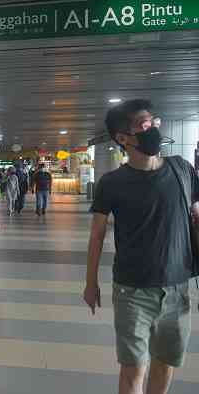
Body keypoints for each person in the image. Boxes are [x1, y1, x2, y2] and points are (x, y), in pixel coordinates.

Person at [84, 99, 198, 394]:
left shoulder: (181, 169)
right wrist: (90, 283)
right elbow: (97, 234)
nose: (153, 129)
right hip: (132, 290)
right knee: (133, 368)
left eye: (153, 122)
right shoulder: (112, 183)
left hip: (177, 288)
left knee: (165, 363)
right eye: (143, 125)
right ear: (122, 138)